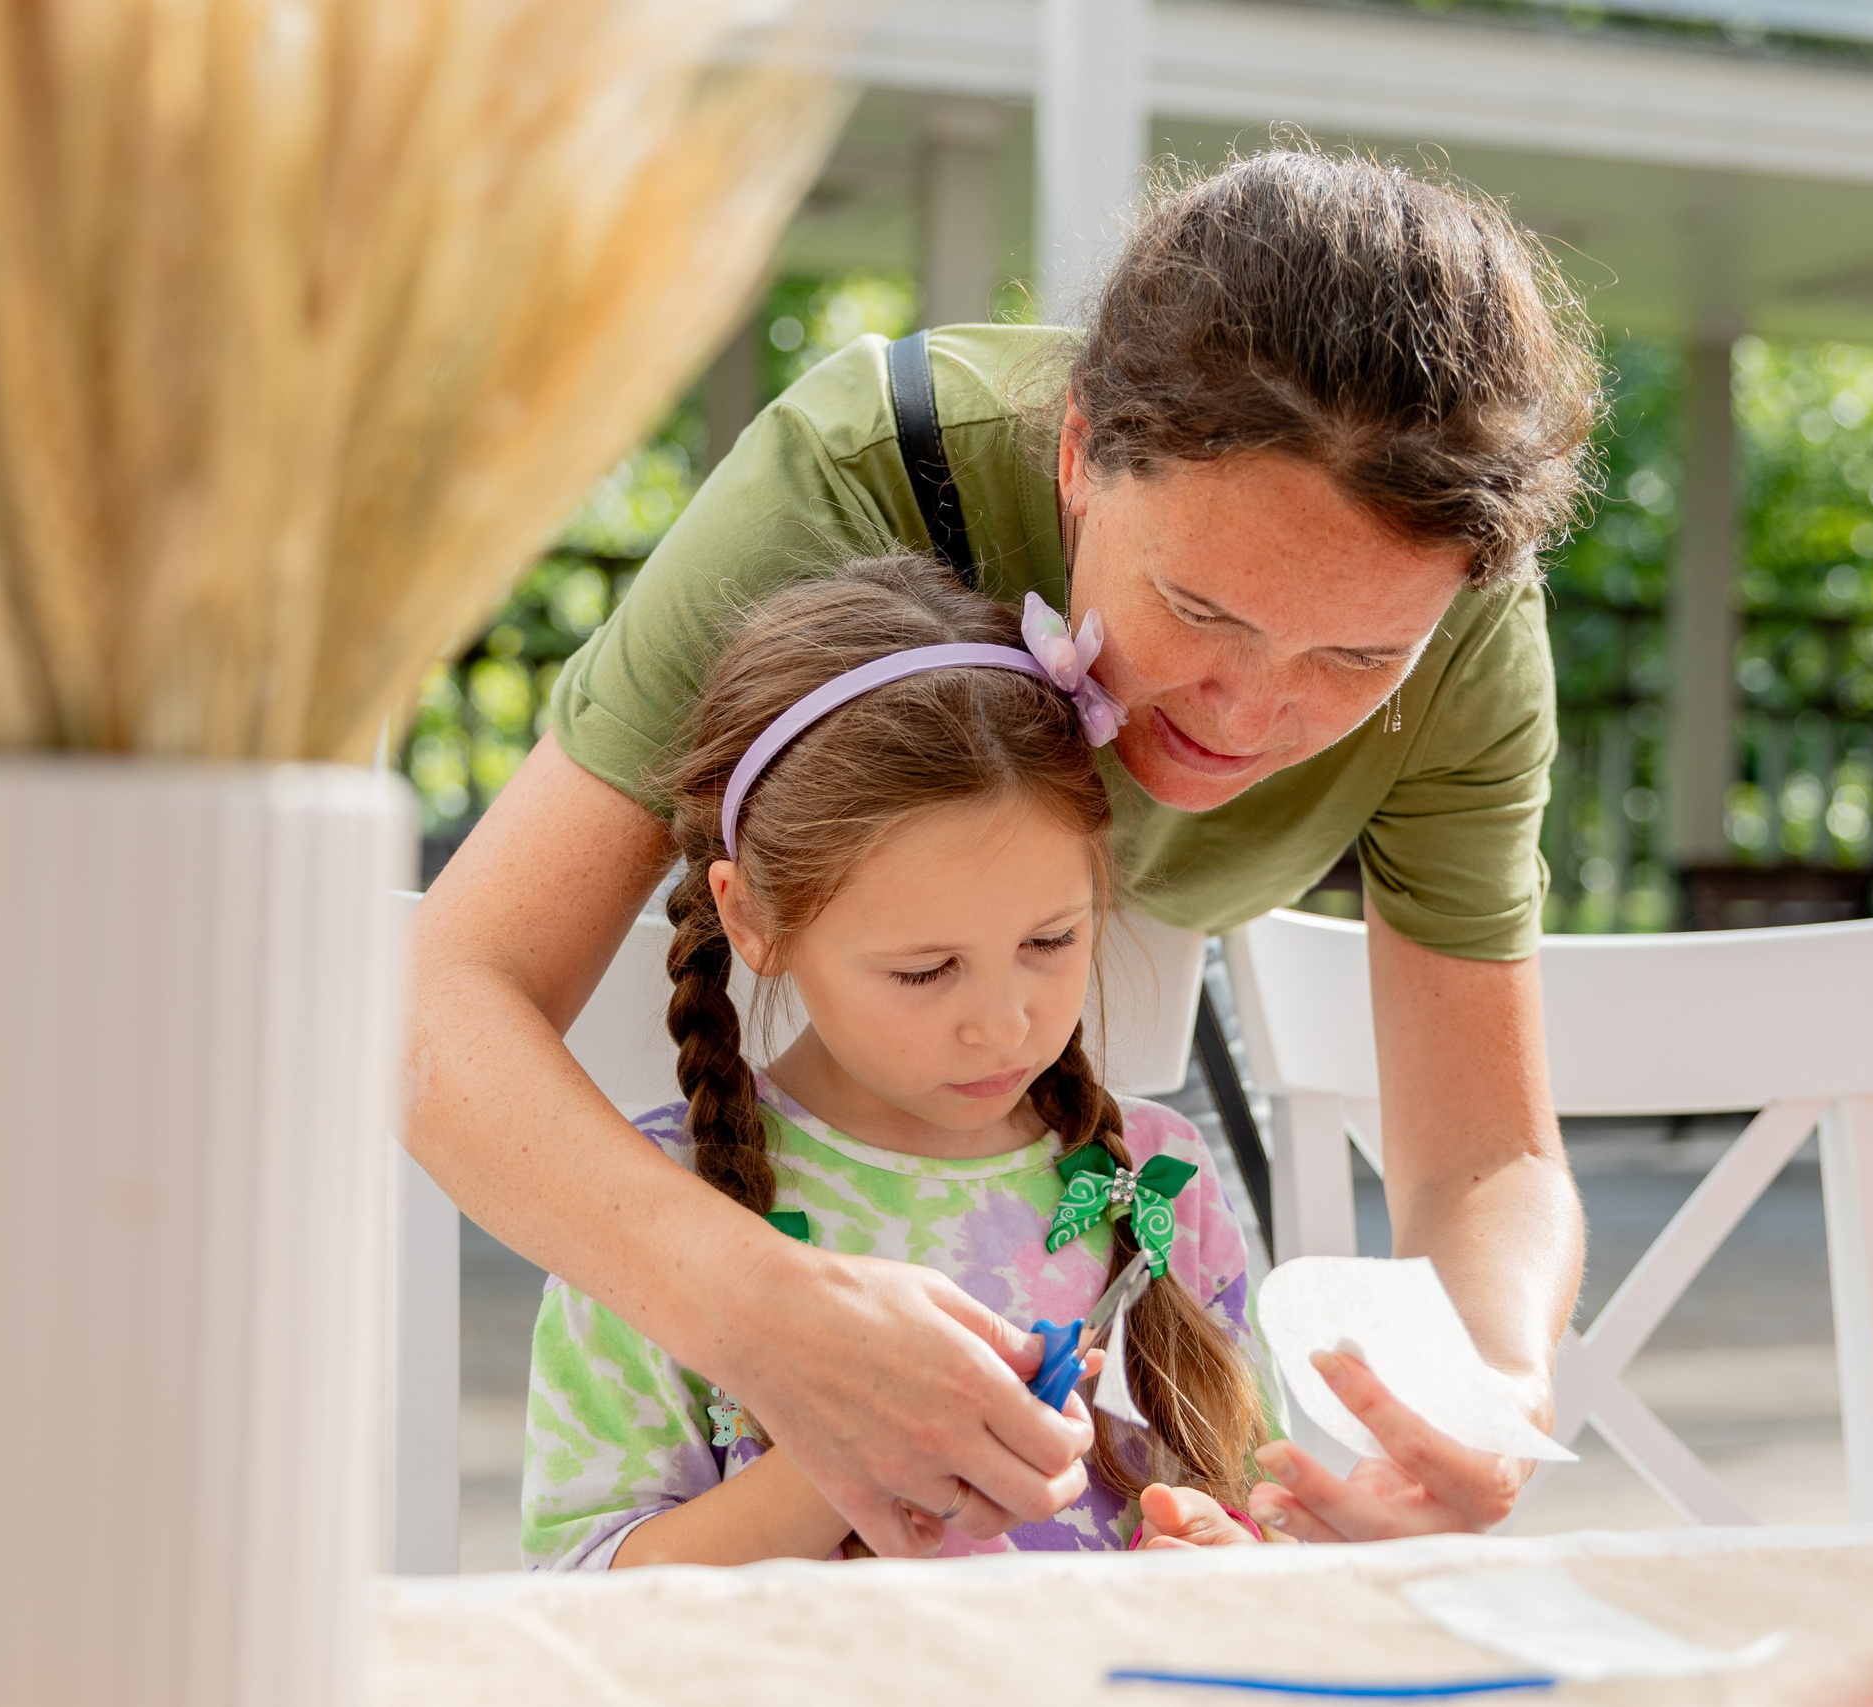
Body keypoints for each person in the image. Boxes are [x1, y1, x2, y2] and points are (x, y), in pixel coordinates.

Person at [409, 147, 1600, 1559]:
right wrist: (774, 1318)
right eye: (1200, 609)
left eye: (1357, 655)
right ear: (1081, 448)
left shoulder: (1461, 613)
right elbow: (437, 1004)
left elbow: (1483, 1153)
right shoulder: (850, 482)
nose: (1252, 710)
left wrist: (1489, 1388)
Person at [523, 557, 1275, 1566]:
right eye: (926, 972)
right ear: (750, 915)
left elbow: (1256, 1512)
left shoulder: (1161, 1186)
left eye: (1051, 941)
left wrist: (1228, 1559)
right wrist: (850, 1450)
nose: (1003, 1025)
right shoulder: (654, 1217)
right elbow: (580, 1597)